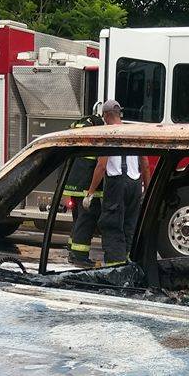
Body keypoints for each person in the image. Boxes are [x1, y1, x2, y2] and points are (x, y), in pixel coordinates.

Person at [84, 100, 150, 266]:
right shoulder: (134, 133)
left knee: (112, 225)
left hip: (116, 185)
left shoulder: (109, 133)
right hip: (135, 185)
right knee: (130, 225)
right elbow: (145, 163)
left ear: (106, 115)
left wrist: (90, 193)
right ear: (119, 114)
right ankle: (129, 263)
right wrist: (147, 189)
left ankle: (115, 267)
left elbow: (101, 166)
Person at [64, 114, 104, 267]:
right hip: (86, 187)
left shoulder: (77, 129)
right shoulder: (95, 135)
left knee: (78, 219)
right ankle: (79, 256)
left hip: (72, 184)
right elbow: (99, 166)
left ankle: (72, 250)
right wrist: (91, 192)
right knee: (87, 219)